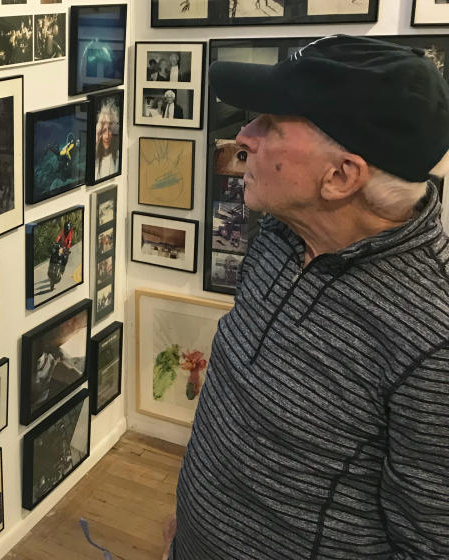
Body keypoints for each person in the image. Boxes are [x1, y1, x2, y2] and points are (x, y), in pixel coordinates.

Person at [165, 35, 449, 560]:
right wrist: (192, 522)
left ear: (341, 176)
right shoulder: (279, 235)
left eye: (272, 122)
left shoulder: (432, 339)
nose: (244, 134)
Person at [94, 99, 120, 178]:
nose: (107, 135)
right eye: (104, 130)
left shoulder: (118, 157)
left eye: (110, 130)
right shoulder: (94, 159)